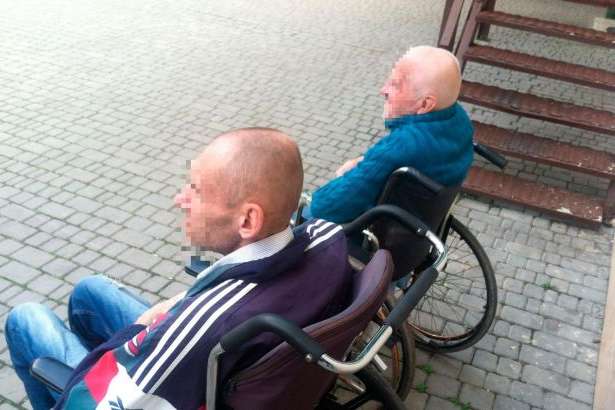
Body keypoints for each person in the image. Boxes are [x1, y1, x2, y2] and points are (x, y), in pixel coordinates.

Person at [5, 128, 353, 410]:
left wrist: (143, 326)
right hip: (243, 355)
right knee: (89, 290)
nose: (180, 199)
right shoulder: (328, 239)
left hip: (176, 370)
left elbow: (96, 403)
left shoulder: (204, 328)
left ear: (248, 220)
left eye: (197, 191)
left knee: (25, 319)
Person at [309, 46, 474, 223]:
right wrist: (362, 161)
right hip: (421, 219)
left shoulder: (402, 145)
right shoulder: (461, 121)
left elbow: (327, 208)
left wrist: (313, 199)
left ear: (425, 104)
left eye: (395, 85)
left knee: (305, 212)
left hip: (381, 226)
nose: (383, 90)